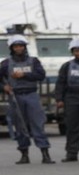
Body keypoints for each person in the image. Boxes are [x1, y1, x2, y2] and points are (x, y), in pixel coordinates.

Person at [0, 34, 55, 164]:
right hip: (15, 96)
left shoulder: (34, 61)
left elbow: (41, 75)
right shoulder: (6, 63)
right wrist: (4, 87)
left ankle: (45, 154)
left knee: (38, 124)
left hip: (31, 95)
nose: (18, 48)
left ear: (24, 47)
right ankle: (24, 154)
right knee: (20, 126)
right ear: (12, 48)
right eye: (16, 46)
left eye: (21, 46)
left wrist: (25, 74)